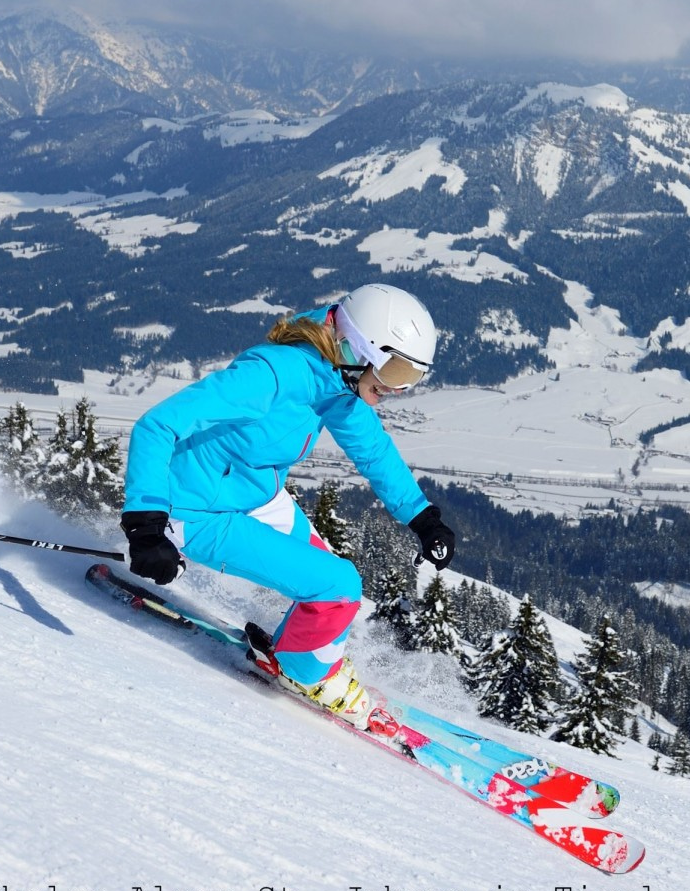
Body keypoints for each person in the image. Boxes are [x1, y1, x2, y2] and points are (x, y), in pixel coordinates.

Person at [119, 283, 458, 733]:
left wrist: (422, 517)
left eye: (410, 378)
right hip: (193, 510)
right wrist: (146, 526)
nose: (398, 388)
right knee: (338, 586)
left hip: (256, 495)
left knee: (329, 587)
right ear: (361, 346)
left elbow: (373, 449)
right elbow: (156, 426)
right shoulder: (274, 375)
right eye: (395, 371)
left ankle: (305, 656)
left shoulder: (335, 377)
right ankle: (306, 674)